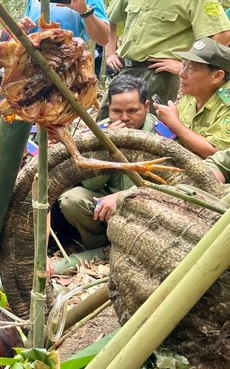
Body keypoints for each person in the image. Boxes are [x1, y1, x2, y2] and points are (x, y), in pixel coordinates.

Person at [56, 75, 166, 248]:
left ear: (146, 107)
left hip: (148, 202)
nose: (124, 118)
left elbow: (167, 183)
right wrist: (107, 147)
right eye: (117, 111)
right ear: (109, 108)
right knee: (72, 199)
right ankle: (100, 246)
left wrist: (123, 197)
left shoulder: (162, 134)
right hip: (105, 207)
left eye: (132, 111)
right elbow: (90, 186)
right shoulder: (98, 132)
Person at [154, 38, 230, 157]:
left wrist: (174, 123)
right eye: (183, 65)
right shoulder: (192, 94)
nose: (181, 74)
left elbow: (216, 154)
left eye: (191, 69)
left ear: (217, 76)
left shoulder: (227, 104)